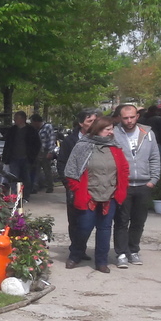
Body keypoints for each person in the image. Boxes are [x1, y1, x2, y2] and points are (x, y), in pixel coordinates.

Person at [64, 117, 129, 273]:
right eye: (107, 129)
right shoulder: (83, 146)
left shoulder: (115, 147)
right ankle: (75, 255)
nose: (111, 132)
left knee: (105, 229)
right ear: (98, 130)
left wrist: (121, 189)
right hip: (88, 195)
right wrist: (78, 189)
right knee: (84, 227)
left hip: (110, 196)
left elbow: (124, 169)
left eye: (112, 129)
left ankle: (101, 261)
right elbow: (71, 171)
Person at [111, 104, 161, 267]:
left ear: (137, 116)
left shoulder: (147, 133)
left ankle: (133, 250)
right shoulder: (114, 134)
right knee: (121, 221)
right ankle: (121, 253)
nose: (129, 120)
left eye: (132, 117)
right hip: (123, 185)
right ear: (120, 118)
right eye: (125, 118)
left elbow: (154, 157)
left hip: (143, 184)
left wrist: (153, 180)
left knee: (139, 221)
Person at [58, 110, 102, 259]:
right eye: (90, 121)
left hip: (95, 186)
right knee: (75, 220)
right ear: (81, 123)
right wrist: (68, 184)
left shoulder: (100, 139)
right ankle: (77, 250)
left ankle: (79, 248)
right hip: (74, 186)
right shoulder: (70, 141)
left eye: (95, 121)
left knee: (89, 221)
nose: (93, 124)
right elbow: (62, 163)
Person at [2, 111, 41, 199]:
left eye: (16, 118)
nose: (15, 120)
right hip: (14, 158)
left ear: (22, 119)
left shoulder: (31, 130)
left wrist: (32, 156)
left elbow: (37, 144)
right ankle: (15, 196)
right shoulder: (12, 130)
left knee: (26, 178)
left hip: (26, 158)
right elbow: (7, 145)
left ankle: (26, 196)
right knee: (14, 178)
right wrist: (5, 158)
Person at [32, 113, 56, 193]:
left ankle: (50, 186)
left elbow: (52, 140)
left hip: (45, 151)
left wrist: (50, 152)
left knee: (47, 169)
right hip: (37, 151)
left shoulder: (48, 127)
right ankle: (35, 187)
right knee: (36, 169)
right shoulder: (36, 129)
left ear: (36, 122)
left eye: (33, 123)